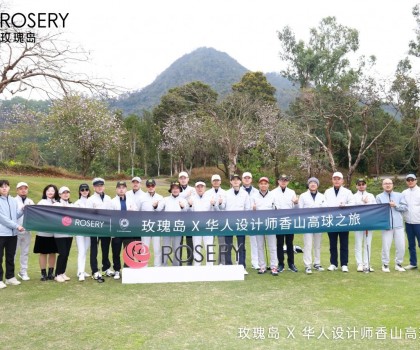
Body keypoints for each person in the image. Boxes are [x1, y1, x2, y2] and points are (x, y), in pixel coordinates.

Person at [324, 171, 355, 272]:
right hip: (331, 220)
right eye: (335, 179)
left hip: (343, 220)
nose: (336, 181)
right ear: (332, 180)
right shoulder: (327, 192)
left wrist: (345, 205)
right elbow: (323, 204)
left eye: (338, 179)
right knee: (332, 243)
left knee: (344, 243)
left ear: (342, 181)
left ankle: (344, 264)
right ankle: (333, 263)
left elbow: (353, 203)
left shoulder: (347, 192)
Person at [376, 178, 408, 272]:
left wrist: (395, 205)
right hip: (386, 225)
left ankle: (398, 263)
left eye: (389, 183)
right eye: (385, 183)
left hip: (399, 225)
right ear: (382, 185)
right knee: (386, 246)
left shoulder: (399, 195)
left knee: (401, 246)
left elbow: (405, 207)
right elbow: (378, 211)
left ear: (392, 184)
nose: (387, 185)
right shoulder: (379, 197)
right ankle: (385, 264)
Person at [298, 177, 327, 274]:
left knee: (317, 245)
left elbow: (325, 209)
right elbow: (300, 210)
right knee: (308, 244)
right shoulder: (303, 196)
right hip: (307, 223)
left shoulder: (322, 196)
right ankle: (308, 265)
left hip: (318, 223)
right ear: (308, 185)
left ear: (317, 185)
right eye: (311, 183)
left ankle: (317, 263)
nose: (313, 184)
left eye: (315, 183)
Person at [86, 177, 112, 282]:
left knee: (105, 248)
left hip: (106, 227)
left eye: (101, 186)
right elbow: (88, 215)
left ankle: (106, 268)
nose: (99, 187)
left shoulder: (109, 198)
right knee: (94, 250)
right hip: (94, 228)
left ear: (104, 186)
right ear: (94, 187)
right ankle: (95, 270)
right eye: (97, 186)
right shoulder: (90, 199)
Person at [110, 181, 138, 280]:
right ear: (116, 189)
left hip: (128, 230)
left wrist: (132, 212)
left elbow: (136, 213)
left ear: (126, 189)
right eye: (119, 187)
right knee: (116, 251)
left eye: (123, 187)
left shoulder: (131, 200)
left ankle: (127, 268)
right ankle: (117, 270)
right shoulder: (112, 201)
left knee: (128, 250)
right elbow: (110, 216)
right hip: (116, 230)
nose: (121, 189)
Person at [156, 181, 188, 266]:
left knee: (176, 248)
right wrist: (155, 206)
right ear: (171, 189)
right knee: (165, 248)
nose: (175, 190)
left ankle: (176, 266)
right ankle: (164, 265)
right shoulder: (165, 199)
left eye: (177, 188)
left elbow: (187, 212)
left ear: (179, 190)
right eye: (173, 188)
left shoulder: (183, 200)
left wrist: (182, 207)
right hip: (167, 227)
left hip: (178, 227)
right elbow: (158, 210)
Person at [224, 174, 251, 274]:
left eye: (237, 180)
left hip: (240, 222)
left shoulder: (245, 194)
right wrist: (220, 203)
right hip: (229, 222)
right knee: (228, 245)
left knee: (241, 245)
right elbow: (223, 207)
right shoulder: (226, 193)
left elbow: (247, 209)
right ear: (230, 182)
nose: (235, 181)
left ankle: (242, 266)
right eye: (233, 180)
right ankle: (228, 266)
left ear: (240, 182)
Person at [0, 179, 25, 289]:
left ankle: (10, 277)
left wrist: (23, 210)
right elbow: (2, 219)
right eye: (2, 186)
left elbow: (15, 215)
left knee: (10, 257)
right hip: (1, 233)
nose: (4, 188)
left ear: (9, 187)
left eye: (6, 186)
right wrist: (17, 226)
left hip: (12, 234)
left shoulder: (12, 200)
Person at [272, 174, 299, 273]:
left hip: (289, 221)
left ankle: (291, 263)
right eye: (281, 180)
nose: (283, 182)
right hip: (278, 221)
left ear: (287, 182)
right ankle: (281, 264)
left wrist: (296, 202)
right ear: (278, 181)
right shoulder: (273, 192)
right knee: (279, 243)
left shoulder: (292, 192)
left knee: (289, 243)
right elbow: (271, 207)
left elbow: (296, 208)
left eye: (285, 180)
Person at [252, 177, 278, 275]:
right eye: (261, 183)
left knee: (272, 246)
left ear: (268, 185)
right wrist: (253, 209)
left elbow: (277, 209)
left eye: (265, 183)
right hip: (258, 224)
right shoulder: (254, 196)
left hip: (270, 224)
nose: (263, 185)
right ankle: (262, 266)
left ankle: (274, 267)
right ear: (259, 185)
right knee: (260, 246)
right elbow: (251, 211)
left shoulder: (273, 195)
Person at [188, 180, 218, 266]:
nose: (200, 188)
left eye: (202, 187)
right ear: (195, 188)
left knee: (209, 247)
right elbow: (189, 212)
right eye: (198, 187)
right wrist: (190, 205)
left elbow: (216, 210)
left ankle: (210, 266)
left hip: (208, 226)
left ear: (204, 188)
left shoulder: (210, 197)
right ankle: (197, 266)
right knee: (197, 247)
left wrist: (213, 204)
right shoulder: (192, 198)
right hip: (196, 226)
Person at [34, 184, 59, 281]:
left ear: (55, 192)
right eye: (48, 190)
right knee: (43, 253)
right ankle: (43, 273)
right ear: (45, 192)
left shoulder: (57, 203)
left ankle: (50, 273)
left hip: (54, 233)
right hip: (43, 232)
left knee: (53, 252)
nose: (50, 192)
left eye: (52, 190)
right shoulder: (41, 202)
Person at [138, 179, 163, 267]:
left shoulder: (160, 197)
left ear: (155, 186)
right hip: (145, 225)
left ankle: (157, 266)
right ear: (146, 187)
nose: (151, 187)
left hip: (156, 226)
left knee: (157, 248)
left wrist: (156, 206)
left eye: (152, 185)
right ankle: (143, 266)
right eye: (149, 186)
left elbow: (161, 211)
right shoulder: (141, 198)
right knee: (144, 247)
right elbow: (138, 211)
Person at [353, 178, 376, 272]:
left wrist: (368, 202)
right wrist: (362, 202)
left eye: (363, 184)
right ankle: (360, 264)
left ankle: (367, 263)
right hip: (358, 221)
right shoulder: (353, 196)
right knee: (358, 243)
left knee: (368, 243)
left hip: (369, 221)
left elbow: (375, 207)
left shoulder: (371, 195)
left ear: (366, 185)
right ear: (356, 186)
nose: (361, 186)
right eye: (359, 184)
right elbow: (352, 207)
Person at [53, 186, 74, 283]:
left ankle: (62, 272)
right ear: (60, 195)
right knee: (63, 253)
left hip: (69, 233)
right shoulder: (56, 204)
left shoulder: (72, 205)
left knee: (67, 254)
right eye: (63, 192)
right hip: (60, 233)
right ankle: (57, 274)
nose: (66, 194)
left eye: (67, 192)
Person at [15, 182, 34, 281]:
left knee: (25, 252)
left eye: (25, 188)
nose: (23, 190)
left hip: (27, 231)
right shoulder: (13, 201)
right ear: (17, 190)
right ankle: (11, 273)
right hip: (15, 231)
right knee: (12, 253)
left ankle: (23, 272)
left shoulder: (30, 201)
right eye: (21, 188)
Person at [205, 174, 226, 264]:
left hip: (221, 221)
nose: (216, 182)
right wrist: (213, 205)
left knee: (222, 243)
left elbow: (224, 207)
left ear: (220, 181)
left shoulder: (225, 193)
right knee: (210, 243)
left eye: (217, 180)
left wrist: (219, 204)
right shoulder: (207, 193)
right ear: (212, 182)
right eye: (214, 180)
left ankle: (221, 262)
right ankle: (210, 263)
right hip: (210, 220)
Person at [73, 183, 91, 281]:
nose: (84, 191)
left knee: (86, 250)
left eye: (86, 189)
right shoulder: (77, 203)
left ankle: (81, 270)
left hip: (89, 230)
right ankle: (81, 273)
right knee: (82, 251)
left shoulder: (91, 201)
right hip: (79, 230)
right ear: (80, 192)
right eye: (82, 190)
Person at [402, 173, 420, 270]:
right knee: (411, 244)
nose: (410, 181)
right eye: (408, 180)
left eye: (412, 180)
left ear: (416, 180)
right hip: (408, 222)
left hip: (419, 222)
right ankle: (413, 263)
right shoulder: (404, 192)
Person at [242, 172, 259, 270]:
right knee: (241, 241)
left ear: (251, 179)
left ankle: (255, 262)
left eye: (249, 178)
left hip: (253, 219)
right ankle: (239, 261)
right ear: (242, 179)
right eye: (245, 178)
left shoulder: (256, 191)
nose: (247, 179)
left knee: (254, 241)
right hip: (242, 219)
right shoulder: (238, 190)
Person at [178, 171, 195, 265]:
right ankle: (179, 262)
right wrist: (185, 195)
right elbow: (176, 196)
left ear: (188, 179)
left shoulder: (192, 189)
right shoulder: (176, 189)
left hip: (190, 218)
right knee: (179, 242)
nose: (183, 180)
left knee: (190, 242)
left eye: (185, 178)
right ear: (179, 180)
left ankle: (190, 262)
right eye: (181, 178)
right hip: (179, 219)